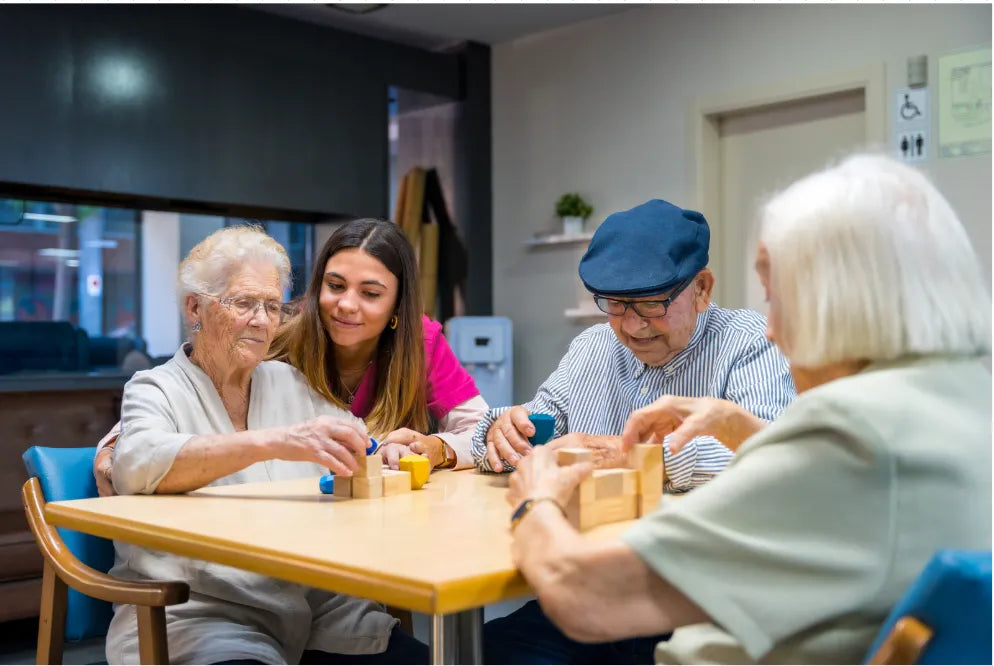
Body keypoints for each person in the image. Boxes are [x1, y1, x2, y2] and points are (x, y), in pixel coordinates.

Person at [504, 154, 992, 664]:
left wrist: (535, 501)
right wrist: (746, 430)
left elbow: (588, 599)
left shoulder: (852, 425)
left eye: (776, 297)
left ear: (841, 299)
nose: (771, 329)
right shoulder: (964, 392)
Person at [478, 198, 796, 664]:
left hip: (695, 599)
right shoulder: (592, 346)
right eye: (615, 304)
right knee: (481, 655)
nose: (631, 325)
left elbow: (767, 460)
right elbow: (538, 423)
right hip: (592, 580)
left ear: (702, 288)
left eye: (651, 303)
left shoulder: (749, 343)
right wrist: (499, 431)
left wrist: (639, 456)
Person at [105, 226, 428, 664]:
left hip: (311, 608)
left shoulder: (289, 382)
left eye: (272, 306)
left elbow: (354, 438)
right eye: (242, 303)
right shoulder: (154, 388)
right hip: (195, 614)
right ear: (195, 307)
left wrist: (385, 449)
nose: (261, 320)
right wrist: (278, 442)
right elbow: (138, 465)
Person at [95, 218, 486, 495]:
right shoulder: (281, 332)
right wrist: (115, 444)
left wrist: (428, 449)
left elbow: (480, 433)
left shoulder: (417, 342)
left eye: (370, 293)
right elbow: (157, 416)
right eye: (334, 285)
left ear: (397, 304)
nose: (346, 305)